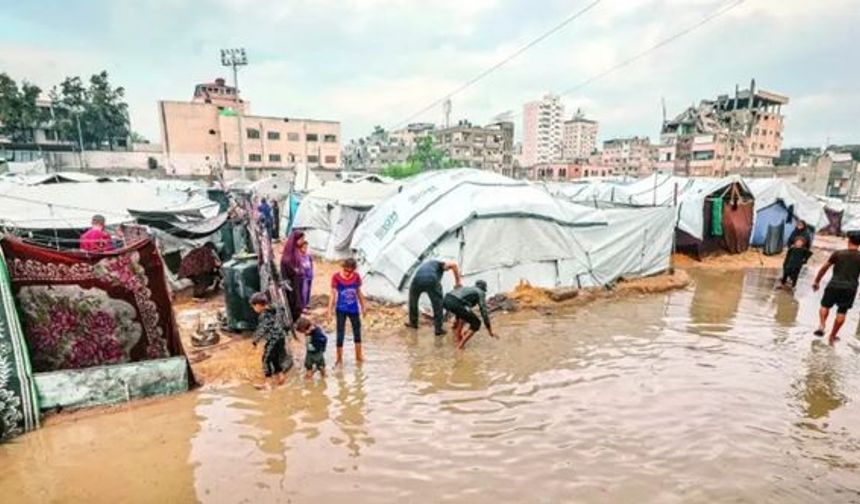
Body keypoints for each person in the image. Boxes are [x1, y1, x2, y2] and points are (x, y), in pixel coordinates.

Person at [812, 233, 860, 344]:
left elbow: (824, 268)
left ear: (849, 241)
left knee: (825, 306)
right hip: (850, 288)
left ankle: (822, 325)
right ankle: (832, 336)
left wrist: (817, 281)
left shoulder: (838, 254)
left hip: (833, 285)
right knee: (842, 312)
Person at [406, 259, 462, 335]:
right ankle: (438, 329)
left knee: (413, 301)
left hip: (417, 280)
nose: (447, 270)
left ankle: (413, 323)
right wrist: (457, 281)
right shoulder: (440, 264)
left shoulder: (428, 264)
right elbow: (453, 265)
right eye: (447, 270)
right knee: (438, 304)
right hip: (431, 280)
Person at [328, 257, 366, 367]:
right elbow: (333, 294)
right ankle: (339, 359)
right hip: (341, 309)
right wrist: (329, 311)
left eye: (351, 271)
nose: (348, 273)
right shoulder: (336, 277)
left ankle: (359, 357)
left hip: (354, 309)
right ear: (343, 268)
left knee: (357, 333)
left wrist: (363, 305)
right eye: (346, 270)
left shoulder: (356, 277)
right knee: (340, 334)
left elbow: (358, 292)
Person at [250, 292, 292, 385]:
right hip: (281, 338)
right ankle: (281, 377)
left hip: (273, 340)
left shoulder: (264, 315)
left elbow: (262, 329)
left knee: (265, 360)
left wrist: (255, 341)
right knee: (275, 358)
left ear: (258, 305)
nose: (254, 309)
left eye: (254, 307)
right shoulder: (275, 309)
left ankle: (267, 382)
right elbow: (281, 308)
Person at [442, 280, 496, 350]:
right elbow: (484, 312)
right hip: (456, 303)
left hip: (446, 300)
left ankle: (458, 337)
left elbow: (461, 310)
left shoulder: (468, 289)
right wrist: (489, 330)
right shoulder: (480, 292)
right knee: (476, 323)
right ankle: (460, 347)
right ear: (484, 288)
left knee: (463, 315)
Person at [280, 230, 307, 324]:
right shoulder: (288, 256)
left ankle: (296, 321)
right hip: (291, 284)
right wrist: (296, 271)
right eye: (301, 239)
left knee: (298, 301)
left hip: (297, 282)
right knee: (293, 302)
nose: (303, 241)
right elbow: (287, 268)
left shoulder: (296, 251)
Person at [299, 241, 314, 312]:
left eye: (306, 247)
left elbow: (311, 264)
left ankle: (306, 303)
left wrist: (312, 273)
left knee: (308, 290)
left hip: (309, 275)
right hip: (303, 276)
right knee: (303, 291)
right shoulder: (298, 256)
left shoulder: (308, 255)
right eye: (303, 247)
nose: (305, 249)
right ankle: (302, 306)